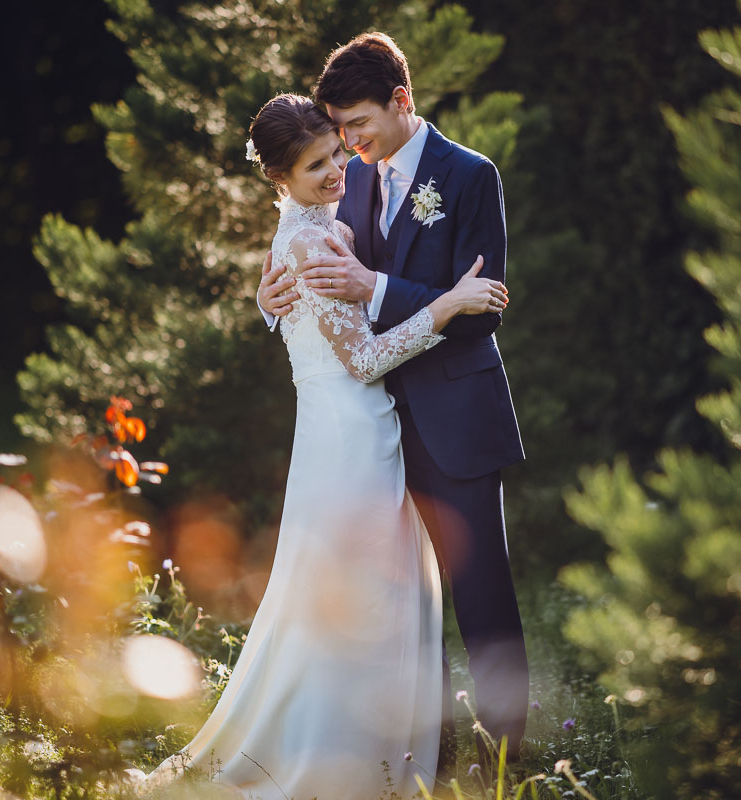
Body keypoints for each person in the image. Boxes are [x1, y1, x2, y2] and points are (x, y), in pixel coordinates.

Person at [139, 94, 508, 798]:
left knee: (367, 593)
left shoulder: (319, 225)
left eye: (338, 153)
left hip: (360, 429)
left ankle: (378, 750)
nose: (339, 170)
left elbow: (324, 309)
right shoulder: (307, 241)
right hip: (347, 440)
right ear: (279, 177)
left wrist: (269, 301)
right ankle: (340, 759)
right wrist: (447, 303)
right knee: (355, 595)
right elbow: (362, 360)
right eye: (317, 165)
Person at [258, 33, 529, 765]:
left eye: (358, 125)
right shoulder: (350, 178)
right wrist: (268, 300)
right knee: (406, 606)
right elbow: (314, 270)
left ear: (400, 100)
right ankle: (427, 755)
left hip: (455, 419)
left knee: (482, 597)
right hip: (374, 428)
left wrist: (376, 288)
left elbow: (482, 308)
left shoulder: (469, 175)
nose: (348, 145)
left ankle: (509, 760)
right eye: (338, 131)